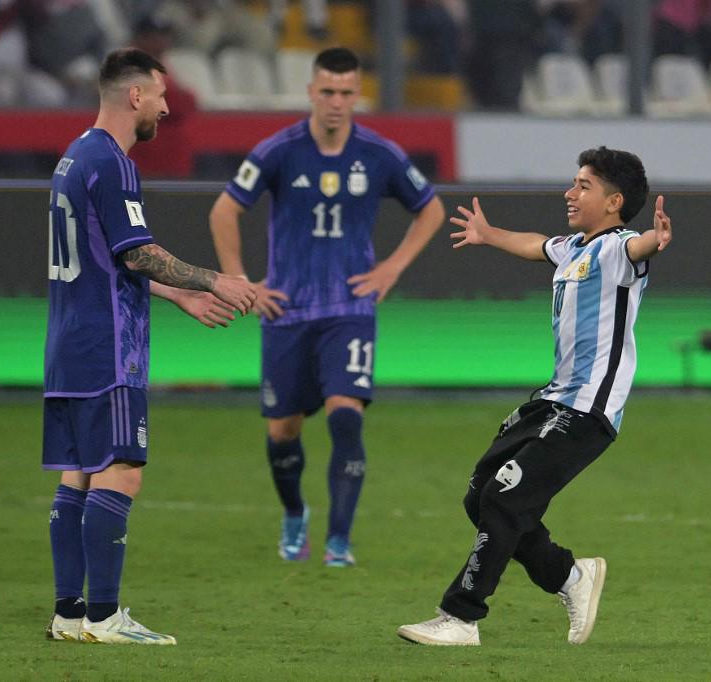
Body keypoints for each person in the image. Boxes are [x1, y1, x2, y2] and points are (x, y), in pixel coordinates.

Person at [398, 146, 673, 646]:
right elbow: (535, 245)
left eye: (583, 186)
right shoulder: (574, 249)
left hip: (587, 409)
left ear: (613, 202)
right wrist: (488, 235)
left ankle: (461, 616)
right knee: (480, 493)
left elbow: (641, 249)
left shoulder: (618, 248)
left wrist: (657, 238)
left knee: (506, 498)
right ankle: (570, 577)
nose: (570, 192)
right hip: (551, 399)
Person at [42, 47, 257, 645]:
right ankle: (106, 617)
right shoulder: (112, 162)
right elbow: (136, 251)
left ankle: (69, 612)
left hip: (67, 342)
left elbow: (105, 260)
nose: (166, 106)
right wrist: (215, 280)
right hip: (109, 346)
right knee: (122, 471)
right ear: (134, 96)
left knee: (77, 475)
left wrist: (177, 296)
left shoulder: (73, 158)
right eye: (160, 95)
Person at [208, 47, 445, 567]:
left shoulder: (379, 153)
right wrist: (241, 283)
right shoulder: (279, 150)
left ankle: (340, 539)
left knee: (346, 418)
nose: (336, 102)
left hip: (349, 308)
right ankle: (295, 514)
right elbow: (224, 210)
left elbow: (431, 209)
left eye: (345, 93)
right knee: (282, 434)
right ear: (311, 93)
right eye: (327, 92)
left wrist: (392, 268)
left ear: (357, 95)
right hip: (286, 311)